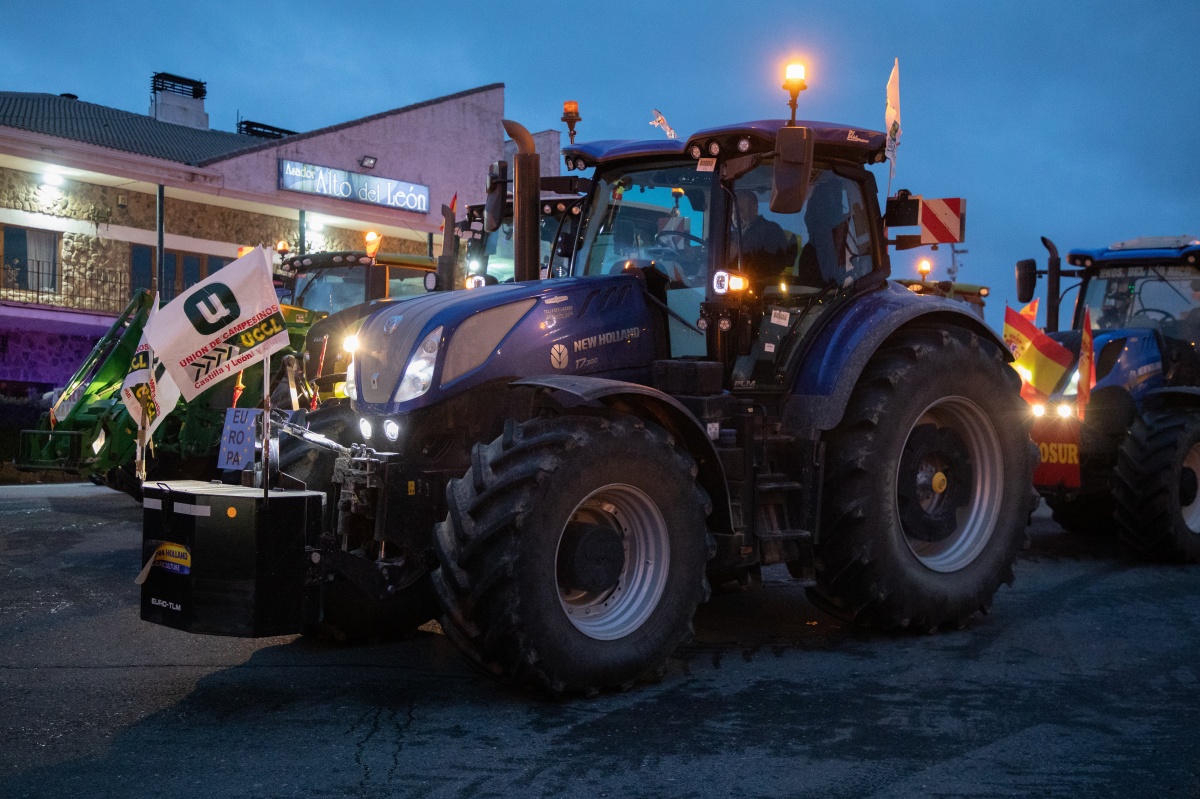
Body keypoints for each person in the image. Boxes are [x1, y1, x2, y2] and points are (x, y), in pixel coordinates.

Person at [733, 190, 796, 287]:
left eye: (740, 210)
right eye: (733, 212)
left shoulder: (771, 231)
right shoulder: (726, 236)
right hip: (729, 289)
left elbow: (774, 266)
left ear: (754, 209)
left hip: (761, 290)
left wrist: (738, 253)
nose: (735, 216)